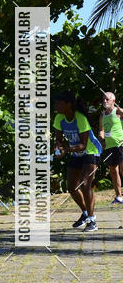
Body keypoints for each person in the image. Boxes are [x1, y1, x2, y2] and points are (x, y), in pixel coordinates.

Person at [53, 90, 102, 232]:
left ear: (68, 104)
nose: (55, 105)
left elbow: (83, 145)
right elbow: (59, 139)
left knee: (85, 184)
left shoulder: (80, 118)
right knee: (71, 187)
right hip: (76, 154)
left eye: (58, 102)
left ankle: (92, 221)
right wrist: (58, 147)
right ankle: (85, 213)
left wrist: (66, 150)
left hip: (91, 152)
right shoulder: (59, 118)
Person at [98, 92, 123, 204]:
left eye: (107, 99)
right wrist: (101, 139)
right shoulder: (102, 115)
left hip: (120, 145)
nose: (105, 101)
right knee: (113, 171)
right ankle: (118, 196)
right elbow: (101, 130)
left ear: (113, 100)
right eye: (103, 99)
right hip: (109, 147)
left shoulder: (118, 111)